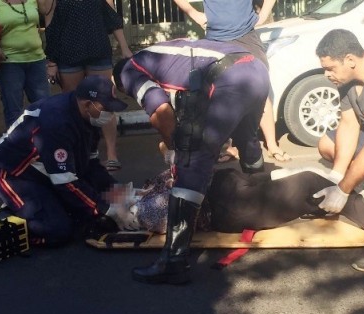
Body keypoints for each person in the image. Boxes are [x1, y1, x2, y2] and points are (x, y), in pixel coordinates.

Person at [113, 38, 270, 284]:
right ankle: (266, 206)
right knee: (247, 139)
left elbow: (161, 109)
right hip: (256, 69)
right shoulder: (162, 54)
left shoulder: (128, 71)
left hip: (231, 78)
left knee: (194, 159)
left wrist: (175, 148)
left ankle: (173, 262)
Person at [0, 75, 130, 246]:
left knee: (87, 211)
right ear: (88, 104)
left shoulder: (89, 119)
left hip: (45, 171)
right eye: (107, 108)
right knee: (57, 230)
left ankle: (46, 205)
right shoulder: (56, 123)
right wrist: (107, 209)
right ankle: (7, 213)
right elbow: (65, 182)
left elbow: (90, 165)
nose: (110, 114)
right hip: (12, 173)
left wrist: (119, 191)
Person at [312, 29, 364, 271]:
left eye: (330, 69)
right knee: (327, 143)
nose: (326, 75)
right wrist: (336, 177)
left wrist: (344, 189)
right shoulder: (346, 80)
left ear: (350, 60)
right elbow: (348, 125)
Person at [173, 0, 291, 162]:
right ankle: (228, 146)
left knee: (260, 88)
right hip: (216, 39)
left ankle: (271, 144)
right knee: (220, 95)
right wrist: (194, 13)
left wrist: (263, 14)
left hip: (246, 36)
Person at [43, 0, 133, 171]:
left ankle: (112, 155)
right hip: (68, 55)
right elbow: (52, 28)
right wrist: (52, 61)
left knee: (105, 103)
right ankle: (81, 153)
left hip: (98, 52)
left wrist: (124, 48)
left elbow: (112, 19)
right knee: (73, 106)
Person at [0, 0, 50, 129]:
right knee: (14, 111)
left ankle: (45, 145)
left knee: (44, 106)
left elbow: (48, 11)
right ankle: (16, 147)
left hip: (37, 60)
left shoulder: (33, 1)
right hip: (9, 63)